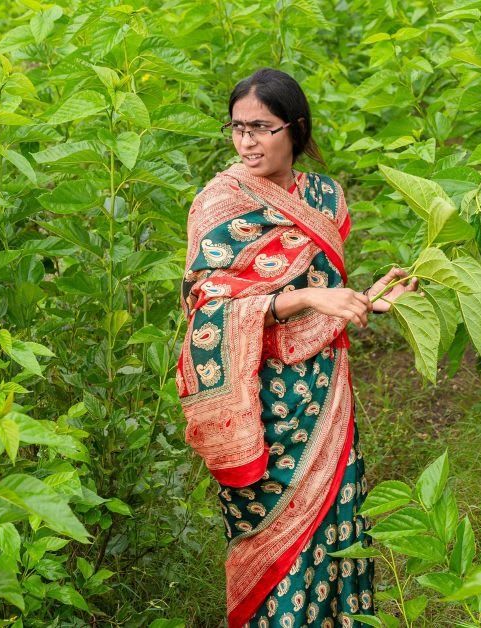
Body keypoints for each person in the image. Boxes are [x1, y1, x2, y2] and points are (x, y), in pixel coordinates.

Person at [175, 67, 419, 628]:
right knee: (270, 536)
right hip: (258, 401)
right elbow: (207, 302)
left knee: (337, 522)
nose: (247, 142)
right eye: (237, 129)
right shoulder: (218, 204)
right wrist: (308, 298)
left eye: (261, 127)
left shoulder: (325, 198)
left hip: (327, 394)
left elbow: (331, 298)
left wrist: (371, 299)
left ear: (296, 128)